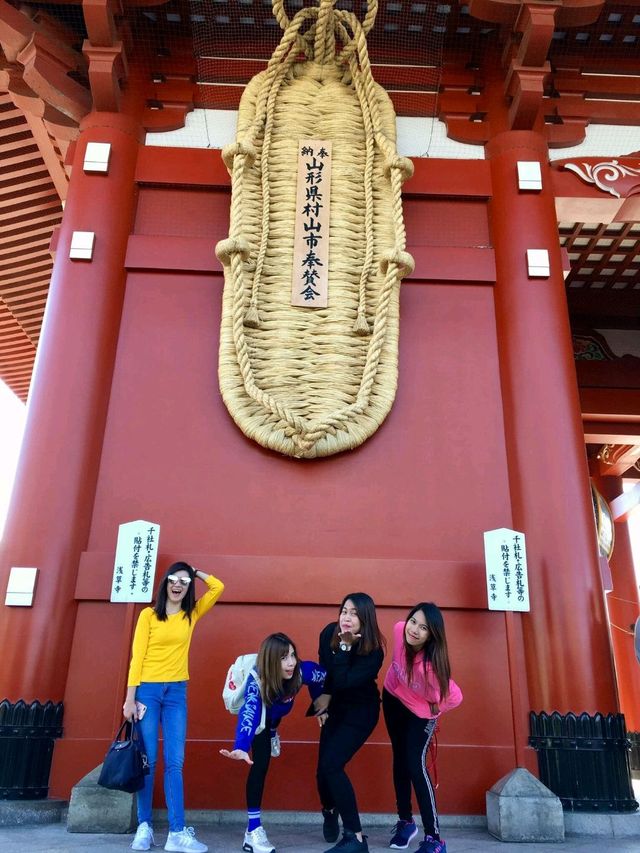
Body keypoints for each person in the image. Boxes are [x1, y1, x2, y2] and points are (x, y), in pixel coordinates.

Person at [123, 562, 224, 853]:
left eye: (184, 581)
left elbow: (218, 587)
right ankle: (144, 827)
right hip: (147, 693)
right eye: (173, 579)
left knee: (175, 762)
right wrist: (130, 699)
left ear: (189, 586)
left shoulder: (191, 615)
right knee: (149, 761)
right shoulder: (148, 616)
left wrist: (197, 570)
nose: (177, 585)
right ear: (164, 583)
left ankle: (177, 832)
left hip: (177, 693)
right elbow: (136, 657)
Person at [219, 632, 326, 853]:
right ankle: (252, 831)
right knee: (260, 764)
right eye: (283, 658)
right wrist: (240, 746)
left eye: (293, 655)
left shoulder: (300, 671)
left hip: (278, 710)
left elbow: (322, 677)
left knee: (276, 716)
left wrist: (319, 704)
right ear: (270, 661)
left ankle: (273, 732)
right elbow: (249, 714)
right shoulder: (256, 681)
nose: (291, 662)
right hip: (262, 712)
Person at [382, 603, 463, 853]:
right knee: (399, 760)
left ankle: (434, 839)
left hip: (419, 713)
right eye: (413, 621)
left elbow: (456, 696)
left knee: (415, 765)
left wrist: (435, 709)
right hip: (393, 697)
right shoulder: (398, 630)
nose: (414, 630)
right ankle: (405, 822)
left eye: (424, 628)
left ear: (432, 635)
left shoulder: (430, 668)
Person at [316, 593, 385, 853]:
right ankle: (329, 810)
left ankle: (355, 838)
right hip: (333, 708)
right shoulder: (327, 633)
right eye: (344, 611)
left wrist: (345, 647)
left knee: (332, 765)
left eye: (354, 614)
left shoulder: (374, 651)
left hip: (360, 712)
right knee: (322, 773)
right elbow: (326, 673)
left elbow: (344, 680)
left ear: (365, 619)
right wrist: (320, 702)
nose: (347, 617)